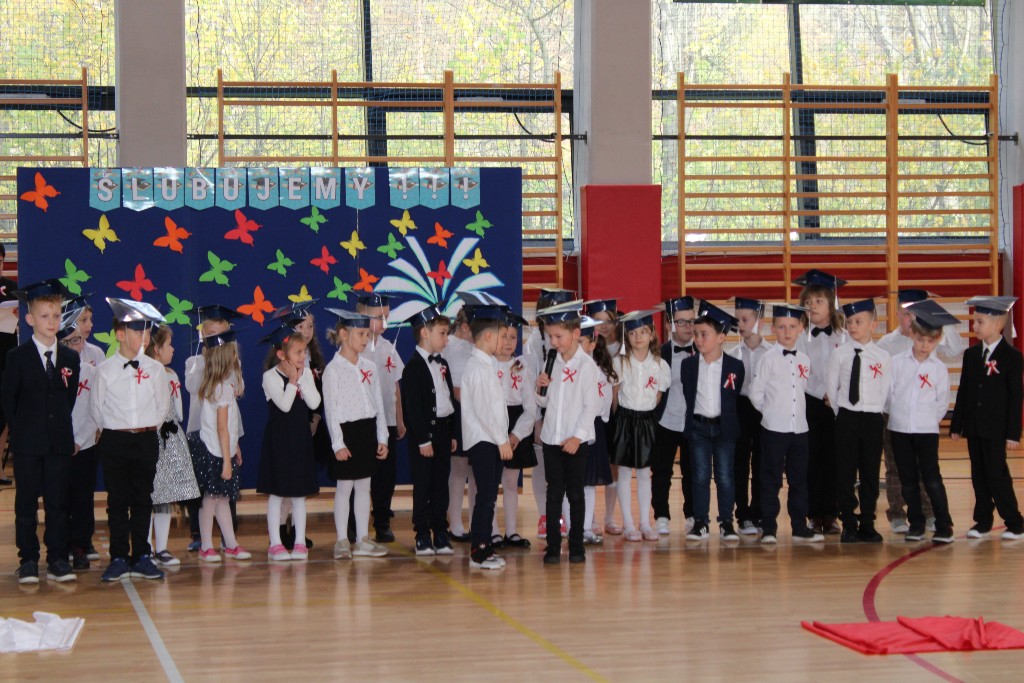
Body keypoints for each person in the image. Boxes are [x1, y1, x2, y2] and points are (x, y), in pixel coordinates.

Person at [2, 280, 80, 584]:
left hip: (58, 442)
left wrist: (57, 428)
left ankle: (58, 558)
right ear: (30, 319)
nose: (52, 322)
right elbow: (9, 400)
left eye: (56, 316)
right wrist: (23, 432)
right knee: (26, 503)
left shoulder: (70, 359)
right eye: (45, 316)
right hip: (28, 443)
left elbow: (68, 399)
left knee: (58, 503)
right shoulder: (17, 357)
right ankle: (29, 560)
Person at [91, 297, 169, 580]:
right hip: (115, 440)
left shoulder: (155, 369)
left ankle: (142, 556)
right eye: (138, 332)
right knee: (117, 500)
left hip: (146, 440)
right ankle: (118, 557)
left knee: (142, 499)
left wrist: (144, 429)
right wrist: (118, 430)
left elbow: (162, 407)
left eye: (147, 331)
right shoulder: (104, 371)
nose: (145, 337)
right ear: (120, 335)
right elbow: (97, 410)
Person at [876, 289, 965, 534]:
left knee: (927, 470)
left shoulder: (929, 336)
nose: (911, 319)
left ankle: (928, 513)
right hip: (895, 417)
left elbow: (955, 350)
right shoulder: (887, 344)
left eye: (916, 313)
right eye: (906, 314)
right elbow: (885, 387)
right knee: (896, 468)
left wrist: (938, 316)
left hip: (924, 421)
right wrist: (894, 413)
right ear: (897, 314)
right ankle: (897, 513)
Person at [748, 304, 823, 544]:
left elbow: (802, 389)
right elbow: (756, 394)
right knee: (770, 480)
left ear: (800, 328)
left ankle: (799, 526)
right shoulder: (768, 359)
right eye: (781, 327)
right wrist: (771, 412)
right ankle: (769, 527)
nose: (787, 332)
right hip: (774, 429)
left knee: (799, 480)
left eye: (792, 327)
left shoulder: (804, 359)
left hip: (799, 429)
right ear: (773, 329)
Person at [950, 296, 1024, 540]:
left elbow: (1015, 398)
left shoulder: (1011, 357)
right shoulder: (971, 355)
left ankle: (1014, 522)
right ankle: (982, 521)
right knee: (978, 475)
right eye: (974, 321)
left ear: (998, 324)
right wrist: (957, 424)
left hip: (996, 428)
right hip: (974, 426)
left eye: (980, 322)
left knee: (996, 474)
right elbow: (964, 390)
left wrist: (1013, 433)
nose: (975, 326)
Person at [322, 308, 389, 559]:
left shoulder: (369, 366)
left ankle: (362, 539)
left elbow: (378, 403)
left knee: (364, 486)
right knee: (344, 487)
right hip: (346, 433)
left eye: (367, 334)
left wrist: (382, 437)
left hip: (366, 430)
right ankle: (342, 540)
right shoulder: (333, 370)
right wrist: (337, 443)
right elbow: (331, 410)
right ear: (343, 334)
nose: (365, 339)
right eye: (361, 334)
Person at [535, 301, 599, 564]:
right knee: (553, 493)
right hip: (552, 437)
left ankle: (576, 546)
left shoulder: (587, 367)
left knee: (575, 493)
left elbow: (591, 406)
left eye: (558, 336)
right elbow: (542, 402)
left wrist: (577, 436)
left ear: (575, 334)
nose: (553, 342)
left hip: (575, 440)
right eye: (550, 336)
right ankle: (552, 546)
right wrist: (540, 387)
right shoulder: (551, 361)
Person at [826, 298, 891, 543]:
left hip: (872, 418)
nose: (852, 326)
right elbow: (832, 389)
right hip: (847, 418)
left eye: (858, 322)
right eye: (850, 322)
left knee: (870, 473)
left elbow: (886, 390)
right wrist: (841, 413)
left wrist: (873, 410)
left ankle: (867, 522)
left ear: (873, 325)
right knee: (845, 472)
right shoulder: (839, 354)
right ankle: (849, 523)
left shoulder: (882, 356)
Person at [188, 322, 251, 564]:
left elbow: (228, 426)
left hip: (221, 449)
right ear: (228, 358)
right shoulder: (221, 389)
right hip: (215, 452)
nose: (237, 357)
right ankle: (206, 546)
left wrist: (235, 446)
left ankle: (231, 543)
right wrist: (226, 460)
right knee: (211, 499)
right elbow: (222, 428)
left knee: (221, 498)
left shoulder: (219, 385)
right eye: (234, 353)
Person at [257, 325, 321, 561]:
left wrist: (303, 379)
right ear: (282, 355)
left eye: (304, 351)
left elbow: (314, 403)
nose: (303, 356)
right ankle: (275, 544)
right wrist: (293, 380)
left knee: (299, 494)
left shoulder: (305, 373)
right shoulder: (270, 377)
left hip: (299, 438)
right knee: (277, 493)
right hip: (279, 440)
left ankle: (299, 542)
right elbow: (284, 406)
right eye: (298, 352)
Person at [682, 302, 744, 541]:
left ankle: (726, 522)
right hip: (698, 427)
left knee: (725, 476)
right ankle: (701, 522)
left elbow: (734, 397)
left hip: (724, 428)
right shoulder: (689, 365)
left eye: (704, 334)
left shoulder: (734, 366)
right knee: (699, 476)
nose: (698, 339)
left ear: (721, 337)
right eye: (696, 334)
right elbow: (689, 393)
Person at [401, 304, 457, 557]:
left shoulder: (442, 363)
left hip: (443, 433)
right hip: (424, 438)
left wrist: (452, 433)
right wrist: (423, 440)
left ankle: (440, 531)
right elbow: (413, 408)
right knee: (423, 485)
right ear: (425, 333)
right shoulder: (412, 367)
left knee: (440, 485)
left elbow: (449, 400)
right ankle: (422, 533)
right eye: (442, 333)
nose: (446, 339)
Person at [795, 269, 849, 535]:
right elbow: (801, 372)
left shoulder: (844, 335)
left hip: (839, 405)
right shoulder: (801, 338)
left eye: (818, 301)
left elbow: (849, 367)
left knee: (836, 460)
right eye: (808, 302)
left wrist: (836, 392)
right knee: (813, 460)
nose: (813, 306)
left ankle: (832, 514)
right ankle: (814, 514)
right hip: (812, 404)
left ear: (831, 304)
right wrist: (823, 392)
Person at [461, 304, 514, 569]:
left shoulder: (486, 364)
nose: (504, 342)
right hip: (485, 441)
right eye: (501, 337)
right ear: (489, 336)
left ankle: (483, 548)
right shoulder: (478, 368)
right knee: (486, 497)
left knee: (489, 496)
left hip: (490, 439)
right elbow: (484, 410)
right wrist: (501, 439)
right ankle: (480, 551)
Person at [611, 309, 671, 543]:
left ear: (652, 335)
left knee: (645, 472)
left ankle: (645, 522)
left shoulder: (660, 365)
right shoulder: (620, 363)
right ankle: (628, 523)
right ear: (627, 336)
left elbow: (658, 396)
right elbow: (615, 396)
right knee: (625, 472)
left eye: (643, 332)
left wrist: (647, 417)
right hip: (625, 419)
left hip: (647, 420)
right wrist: (619, 421)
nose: (638, 337)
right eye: (633, 333)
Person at [145, 324, 200, 567]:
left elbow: (178, 410)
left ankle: (162, 548)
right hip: (150, 437)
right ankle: (145, 548)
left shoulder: (171, 375)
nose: (173, 349)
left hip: (169, 437)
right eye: (169, 344)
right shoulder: (146, 373)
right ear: (157, 348)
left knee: (165, 495)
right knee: (149, 495)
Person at [357, 293, 406, 543]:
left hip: (386, 422)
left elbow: (395, 385)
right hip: (363, 421)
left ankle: (382, 520)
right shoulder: (357, 348)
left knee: (386, 475)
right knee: (361, 474)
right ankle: (355, 524)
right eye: (379, 317)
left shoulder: (388, 348)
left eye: (387, 316)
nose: (384, 322)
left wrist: (399, 419)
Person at [652, 296, 697, 536]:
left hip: (692, 421)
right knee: (661, 471)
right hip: (665, 420)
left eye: (691, 321)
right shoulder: (659, 354)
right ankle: (661, 515)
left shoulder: (702, 351)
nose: (688, 327)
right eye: (681, 322)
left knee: (692, 471)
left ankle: (692, 514)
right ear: (669, 324)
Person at [59, 306, 99, 571]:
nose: (79, 345)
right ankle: (60, 546)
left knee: (83, 497)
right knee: (60, 497)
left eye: (80, 340)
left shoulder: (92, 366)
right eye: (73, 341)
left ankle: (81, 545)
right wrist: (65, 439)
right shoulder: (54, 367)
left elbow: (96, 408)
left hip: (86, 442)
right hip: (60, 442)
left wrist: (81, 439)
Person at [728, 297, 772, 535]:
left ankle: (759, 512)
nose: (741, 324)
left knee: (762, 463)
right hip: (741, 408)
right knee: (740, 463)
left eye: (745, 320)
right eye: (737, 320)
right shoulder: (733, 354)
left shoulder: (772, 353)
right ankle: (743, 514)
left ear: (760, 322)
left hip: (764, 408)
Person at [493, 318, 537, 549]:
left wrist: (517, 434)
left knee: (511, 482)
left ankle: (511, 531)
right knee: (489, 483)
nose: (509, 342)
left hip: (516, 424)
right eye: (504, 337)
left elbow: (530, 407)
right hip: (492, 424)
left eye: (513, 337)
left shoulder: (522, 367)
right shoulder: (486, 365)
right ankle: (492, 531)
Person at [577, 317, 617, 546]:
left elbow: (605, 399)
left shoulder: (600, 370)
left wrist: (601, 421)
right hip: (572, 428)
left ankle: (585, 527)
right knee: (572, 481)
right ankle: (574, 527)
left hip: (594, 428)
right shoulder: (567, 368)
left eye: (581, 341)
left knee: (589, 482)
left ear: (592, 343)